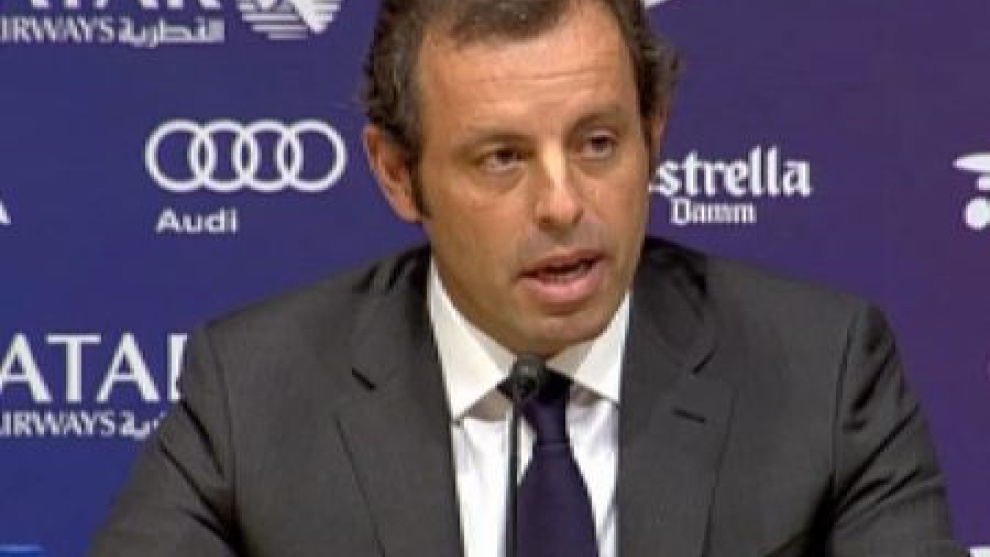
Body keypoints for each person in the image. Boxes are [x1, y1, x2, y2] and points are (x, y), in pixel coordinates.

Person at [89, 0, 967, 555]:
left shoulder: (821, 373)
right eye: (502, 158)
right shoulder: (255, 395)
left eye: (598, 143)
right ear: (397, 173)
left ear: (654, 133)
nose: (562, 203)